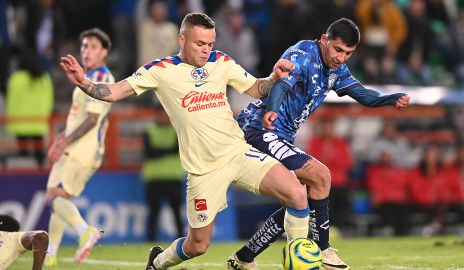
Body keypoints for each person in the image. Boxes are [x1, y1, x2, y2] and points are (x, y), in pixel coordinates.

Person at [59, 13, 310, 270]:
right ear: (181, 39)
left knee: (297, 193)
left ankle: (299, 261)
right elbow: (114, 92)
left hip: (238, 153)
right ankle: (157, 262)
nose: (206, 50)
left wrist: (273, 78)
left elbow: (257, 89)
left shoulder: (222, 62)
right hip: (203, 170)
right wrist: (84, 82)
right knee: (197, 245)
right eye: (199, 44)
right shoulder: (160, 70)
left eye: (210, 44)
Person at [232, 18, 410, 270]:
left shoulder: (336, 70)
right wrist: (271, 111)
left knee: (297, 203)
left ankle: (243, 258)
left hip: (280, 136)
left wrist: (390, 99)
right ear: (325, 40)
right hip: (260, 128)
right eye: (338, 49)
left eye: (348, 53)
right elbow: (281, 83)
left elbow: (363, 94)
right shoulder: (303, 54)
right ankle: (323, 250)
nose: (341, 58)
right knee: (321, 175)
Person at [43, 28, 114, 267]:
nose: (86, 51)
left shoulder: (101, 78)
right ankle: (50, 255)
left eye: (93, 46)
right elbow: (77, 117)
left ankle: (85, 231)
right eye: (84, 46)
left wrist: (64, 140)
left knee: (53, 197)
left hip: (82, 148)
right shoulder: (87, 76)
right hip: (73, 146)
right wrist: (60, 138)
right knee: (58, 199)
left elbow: (93, 119)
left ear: (104, 52)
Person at [142, 105, 185, 241]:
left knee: (177, 212)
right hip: (154, 178)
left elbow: (176, 149)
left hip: (173, 177)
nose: (163, 117)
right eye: (161, 114)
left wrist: (158, 150)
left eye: (166, 114)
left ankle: (182, 241)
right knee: (153, 212)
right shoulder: (150, 130)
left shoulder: (177, 130)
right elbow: (148, 153)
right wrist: (168, 150)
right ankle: (150, 241)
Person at [6, 50, 54, 167]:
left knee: (23, 154)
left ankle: (23, 180)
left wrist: (10, 119)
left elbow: (11, 101)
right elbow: (50, 99)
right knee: (39, 153)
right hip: (39, 122)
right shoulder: (45, 78)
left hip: (20, 122)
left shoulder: (16, 78)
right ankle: (40, 175)